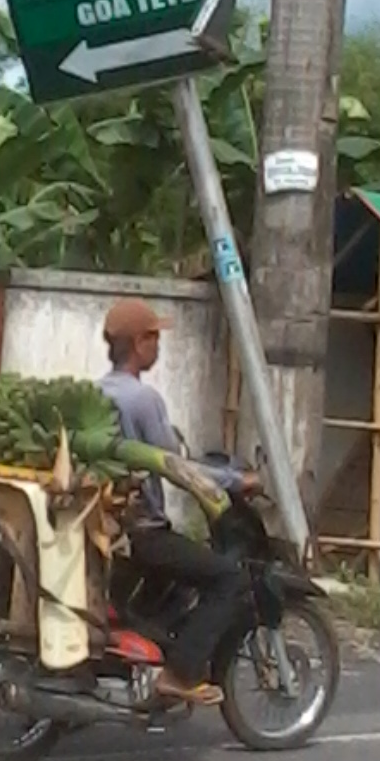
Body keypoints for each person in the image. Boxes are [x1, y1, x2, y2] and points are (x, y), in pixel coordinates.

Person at [98, 297, 258, 707]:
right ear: (139, 343)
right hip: (142, 533)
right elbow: (176, 466)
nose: (158, 346)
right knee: (229, 579)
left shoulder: (96, 392)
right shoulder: (143, 400)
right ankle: (181, 673)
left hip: (106, 528)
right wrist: (236, 480)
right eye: (154, 338)